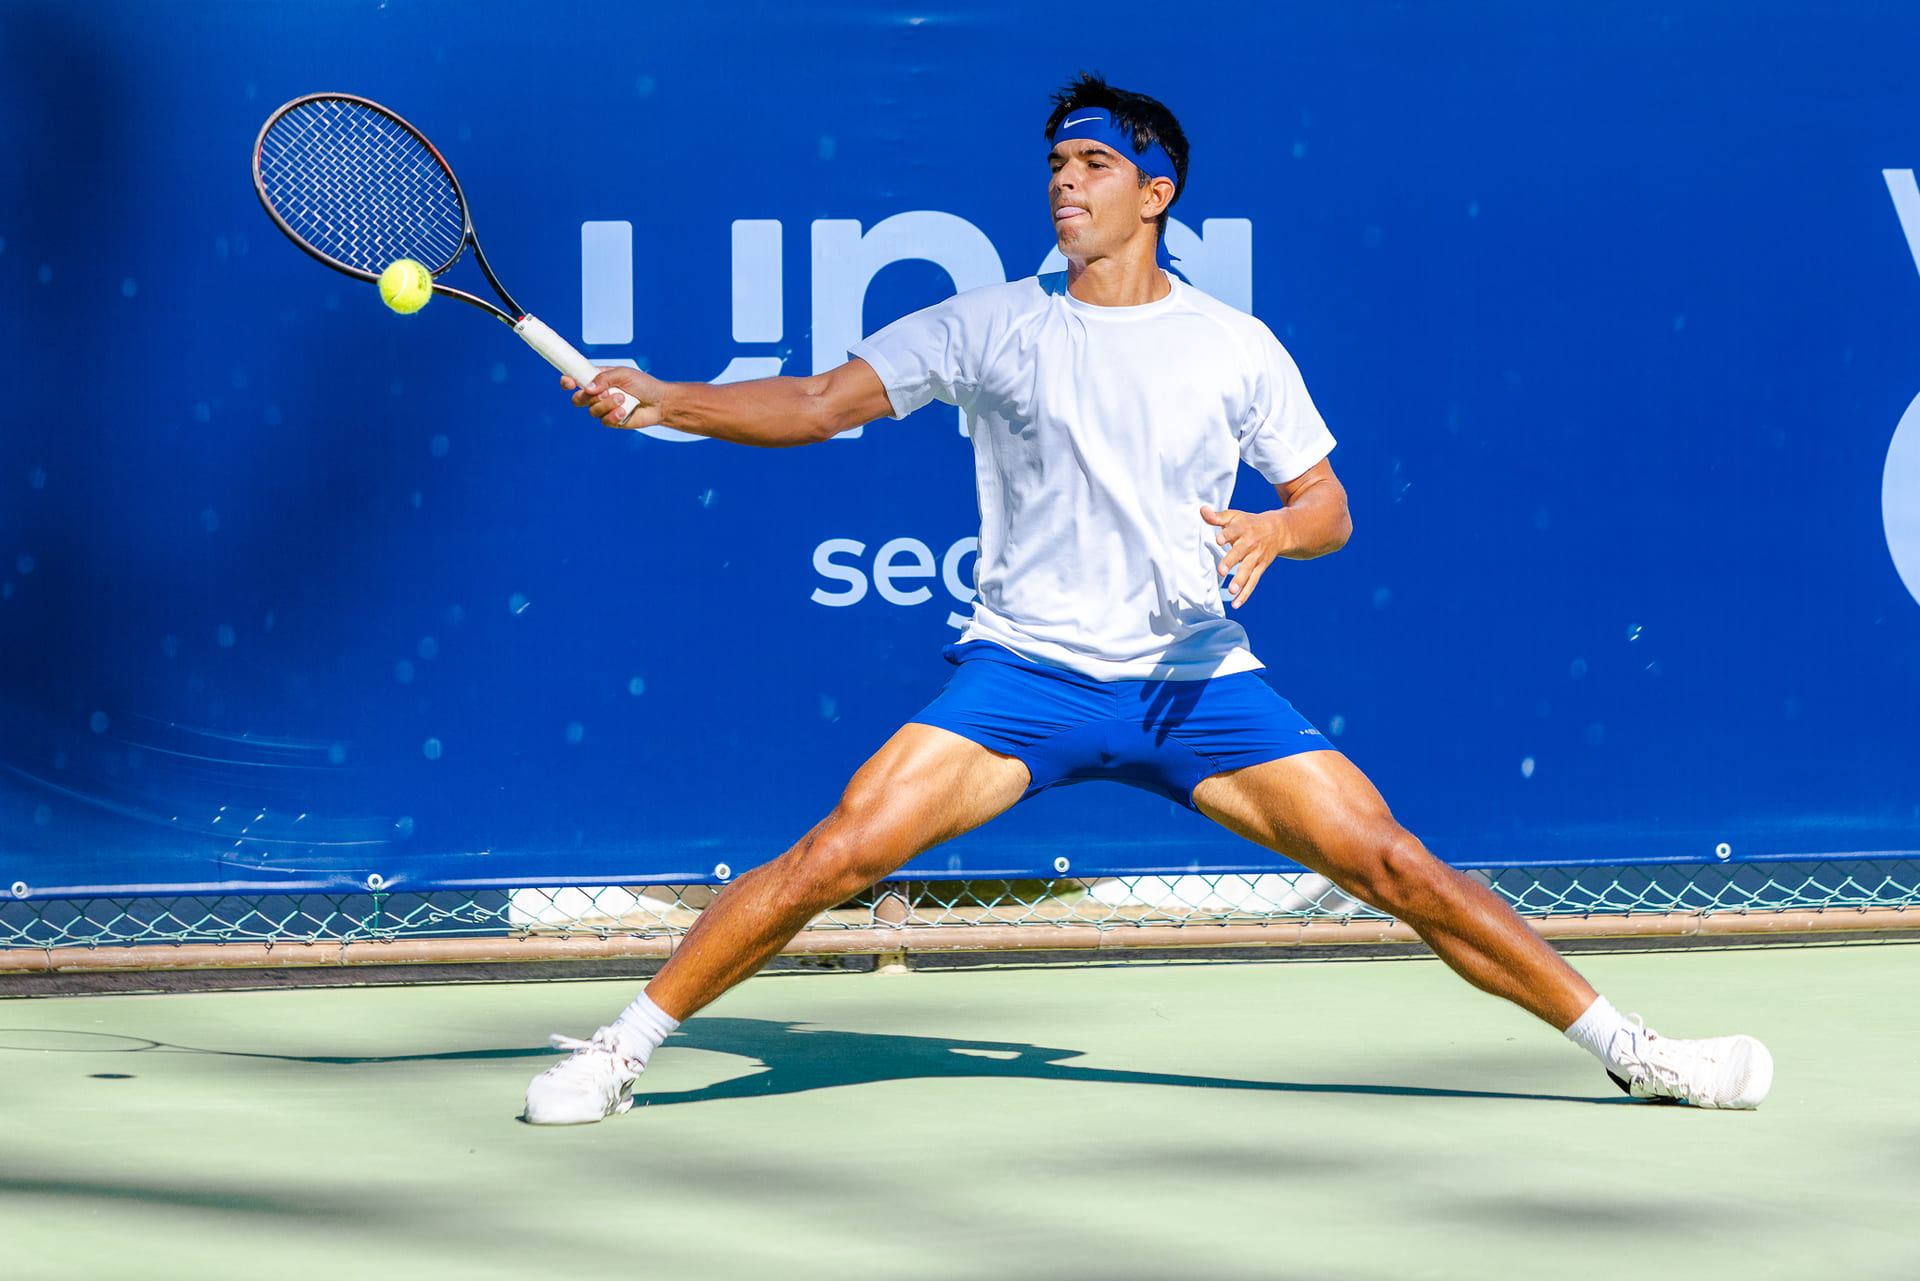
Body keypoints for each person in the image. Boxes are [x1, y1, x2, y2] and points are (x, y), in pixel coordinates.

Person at [525, 73, 1772, 1124]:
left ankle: (1638, 1052)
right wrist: (669, 398)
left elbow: (1329, 505)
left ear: (1154, 191)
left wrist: (1279, 528)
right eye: (1056, 165)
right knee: (838, 853)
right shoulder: (988, 324)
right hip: (1029, 678)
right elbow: (812, 404)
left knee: (1396, 863)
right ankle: (621, 1050)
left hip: (1195, 683)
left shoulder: (1234, 343)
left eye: (1091, 164)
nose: (1064, 183)